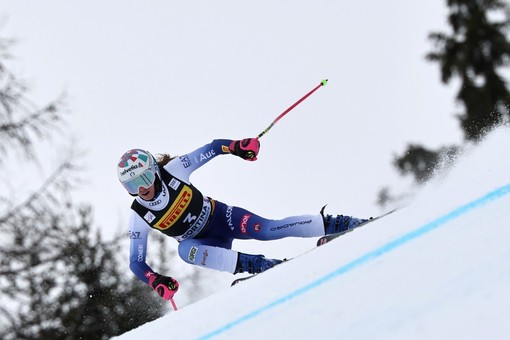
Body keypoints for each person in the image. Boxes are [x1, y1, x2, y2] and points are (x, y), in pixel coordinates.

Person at [117, 138, 368, 301]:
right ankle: (261, 266)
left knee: (268, 230)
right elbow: (136, 262)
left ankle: (340, 224)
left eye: (143, 179)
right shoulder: (139, 215)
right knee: (185, 251)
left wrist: (237, 147)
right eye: (131, 185)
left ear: (153, 171)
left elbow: (213, 147)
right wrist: (156, 280)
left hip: (221, 218)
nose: (141, 189)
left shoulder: (175, 170)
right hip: (204, 243)